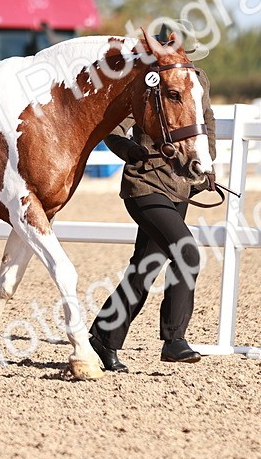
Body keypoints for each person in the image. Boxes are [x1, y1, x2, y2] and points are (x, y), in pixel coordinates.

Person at [88, 66, 217, 372]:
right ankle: (174, 340)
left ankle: (103, 337)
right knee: (187, 253)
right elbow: (115, 129)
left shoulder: (198, 79)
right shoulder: (149, 82)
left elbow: (206, 122)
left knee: (144, 270)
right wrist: (131, 151)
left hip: (180, 187)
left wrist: (206, 164)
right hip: (144, 185)